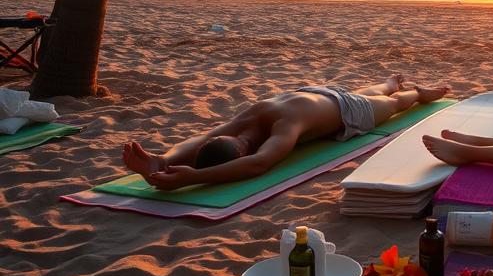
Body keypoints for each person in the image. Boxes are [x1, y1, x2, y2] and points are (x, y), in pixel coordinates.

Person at [122, 75, 449, 190]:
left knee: (388, 104)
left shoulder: (270, 127)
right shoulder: (260, 123)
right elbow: (251, 161)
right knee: (380, 100)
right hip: (326, 98)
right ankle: (405, 88)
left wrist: (166, 160)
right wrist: (174, 167)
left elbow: (252, 162)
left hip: (334, 102)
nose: (245, 142)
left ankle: (412, 92)